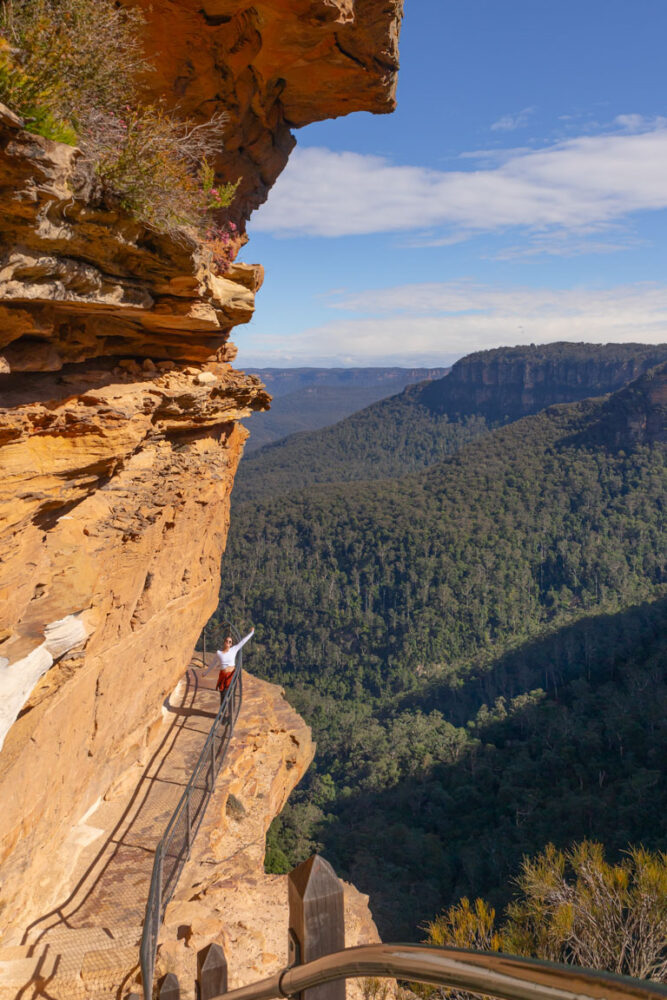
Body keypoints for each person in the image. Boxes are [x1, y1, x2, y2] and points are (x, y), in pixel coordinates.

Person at [205, 627, 254, 703]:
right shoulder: (219, 653)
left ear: (231, 644)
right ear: (224, 642)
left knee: (230, 693)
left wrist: (251, 633)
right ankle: (222, 710)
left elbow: (243, 641)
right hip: (223, 675)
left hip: (231, 675)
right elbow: (213, 664)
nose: (228, 642)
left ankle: (230, 709)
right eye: (227, 641)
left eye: (230, 642)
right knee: (223, 694)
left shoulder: (234, 649)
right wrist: (206, 673)